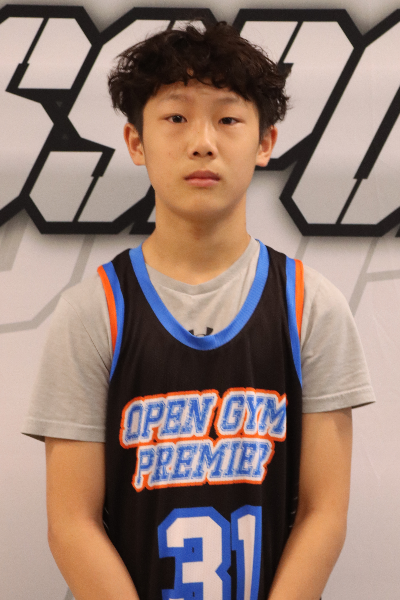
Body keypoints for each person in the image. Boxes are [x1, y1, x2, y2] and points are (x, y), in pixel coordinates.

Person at [23, 21, 375, 600]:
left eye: (228, 119)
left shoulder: (311, 307)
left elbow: (323, 512)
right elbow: (71, 523)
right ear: (136, 142)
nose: (202, 142)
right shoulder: (93, 312)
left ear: (265, 142)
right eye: (176, 117)